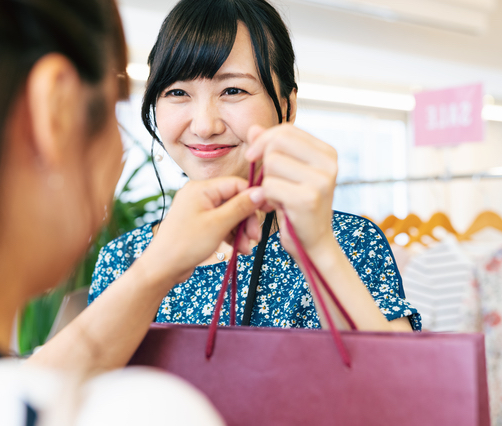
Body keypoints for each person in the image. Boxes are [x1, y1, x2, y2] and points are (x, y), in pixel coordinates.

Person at [0, 0, 264, 424]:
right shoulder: (148, 412)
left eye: (234, 90)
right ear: (56, 111)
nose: (204, 124)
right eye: (116, 107)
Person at [89, 0, 422, 332]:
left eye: (233, 90)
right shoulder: (123, 259)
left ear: (287, 106)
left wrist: (318, 250)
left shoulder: (350, 242)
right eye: (177, 92)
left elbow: (400, 382)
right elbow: (85, 381)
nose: (204, 125)